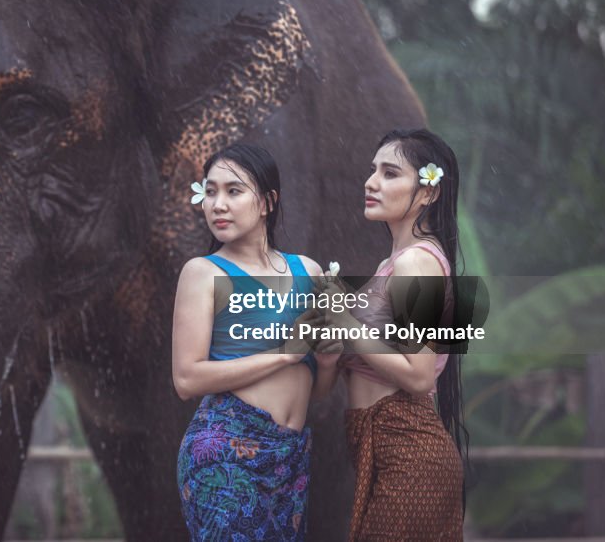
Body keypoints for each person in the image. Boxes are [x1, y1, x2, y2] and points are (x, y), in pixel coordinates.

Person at [172, 143, 338, 542]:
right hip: (225, 451)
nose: (217, 204)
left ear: (267, 201)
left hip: (290, 456)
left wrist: (329, 362)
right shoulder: (203, 273)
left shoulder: (310, 271)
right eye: (210, 192)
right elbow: (187, 379)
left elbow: (317, 391)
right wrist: (284, 355)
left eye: (233, 190)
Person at [315, 128, 467, 541]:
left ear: (428, 192)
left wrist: (345, 323)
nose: (371, 182)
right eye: (372, 171)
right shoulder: (396, 263)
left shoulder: (416, 263)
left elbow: (418, 375)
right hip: (383, 449)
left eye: (389, 173)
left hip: (410, 451)